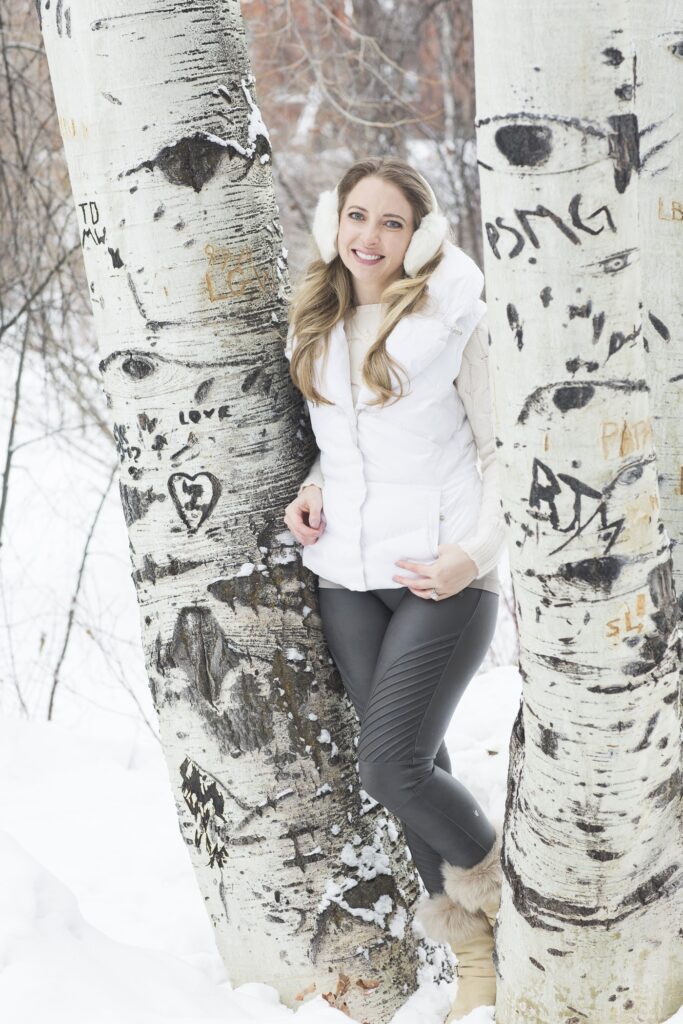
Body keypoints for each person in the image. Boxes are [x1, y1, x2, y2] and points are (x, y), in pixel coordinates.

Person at [283, 156, 506, 1021]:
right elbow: (347, 445)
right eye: (357, 216)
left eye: (391, 222)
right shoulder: (317, 318)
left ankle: (501, 891)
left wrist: (473, 555)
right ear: (333, 223)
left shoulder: (455, 315)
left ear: (422, 237)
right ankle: (477, 960)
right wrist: (311, 488)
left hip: (442, 576)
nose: (369, 237)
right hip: (346, 573)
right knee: (420, 768)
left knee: (391, 765)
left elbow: (502, 452)